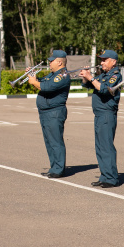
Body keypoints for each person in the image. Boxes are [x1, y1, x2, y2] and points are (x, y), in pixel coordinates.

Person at [80, 50, 122, 188]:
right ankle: (105, 175)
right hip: (99, 114)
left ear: (113, 61)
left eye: (105, 60)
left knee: (106, 146)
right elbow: (87, 85)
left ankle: (111, 178)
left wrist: (91, 77)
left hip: (107, 114)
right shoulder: (104, 74)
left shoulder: (115, 75)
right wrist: (86, 77)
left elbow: (105, 89)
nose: (101, 62)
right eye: (101, 60)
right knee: (100, 147)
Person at [27, 50, 71, 179]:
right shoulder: (53, 74)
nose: (49, 63)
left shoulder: (62, 75)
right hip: (46, 112)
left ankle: (58, 169)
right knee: (49, 141)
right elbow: (44, 81)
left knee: (55, 141)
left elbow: (48, 87)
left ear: (59, 62)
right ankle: (54, 167)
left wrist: (34, 82)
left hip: (54, 112)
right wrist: (32, 75)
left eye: (51, 61)